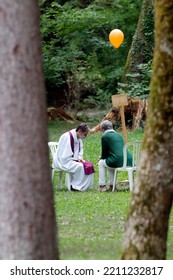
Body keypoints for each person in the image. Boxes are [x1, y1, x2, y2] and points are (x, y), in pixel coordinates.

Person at [53, 123, 94, 191]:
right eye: (85, 134)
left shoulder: (78, 137)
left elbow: (80, 150)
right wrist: (76, 160)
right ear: (79, 131)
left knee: (89, 165)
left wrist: (80, 158)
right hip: (63, 161)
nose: (85, 136)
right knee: (81, 167)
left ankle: (85, 187)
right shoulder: (67, 137)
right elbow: (64, 154)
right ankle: (75, 187)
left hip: (72, 159)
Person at [98, 120, 132, 192]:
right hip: (128, 160)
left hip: (117, 160)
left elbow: (104, 152)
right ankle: (112, 185)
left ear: (103, 129)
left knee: (101, 163)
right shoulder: (119, 135)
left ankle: (102, 186)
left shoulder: (104, 136)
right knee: (109, 162)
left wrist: (101, 158)